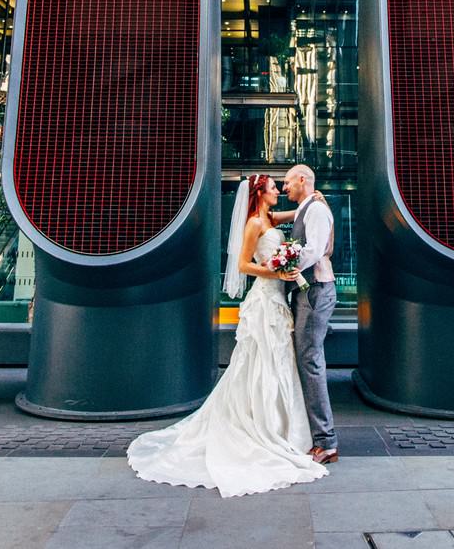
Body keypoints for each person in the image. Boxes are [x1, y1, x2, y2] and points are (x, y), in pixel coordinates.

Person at [126, 174, 327, 498]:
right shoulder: (253, 224)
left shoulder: (270, 218)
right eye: (273, 188)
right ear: (260, 193)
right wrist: (274, 270)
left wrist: (313, 199)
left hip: (278, 299)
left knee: (279, 361)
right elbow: (244, 265)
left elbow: (295, 213)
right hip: (265, 298)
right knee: (260, 362)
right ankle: (262, 426)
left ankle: (282, 429)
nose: (279, 191)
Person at [273, 163, 338, 465]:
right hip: (308, 291)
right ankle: (318, 437)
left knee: (310, 361)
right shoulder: (306, 208)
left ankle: (326, 442)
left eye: (287, 182)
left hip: (315, 290)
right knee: (307, 360)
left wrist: (285, 265)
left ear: (302, 179)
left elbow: (313, 249)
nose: (284, 187)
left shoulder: (316, 210)